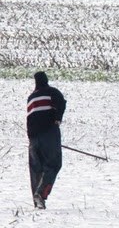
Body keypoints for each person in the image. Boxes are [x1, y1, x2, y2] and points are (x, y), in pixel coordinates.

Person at [27, 71, 67, 209]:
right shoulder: (52, 92)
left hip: (33, 139)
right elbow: (61, 103)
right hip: (49, 133)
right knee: (53, 164)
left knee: (35, 169)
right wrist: (57, 119)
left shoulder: (30, 98)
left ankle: (37, 202)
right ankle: (41, 194)